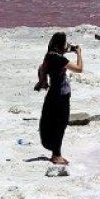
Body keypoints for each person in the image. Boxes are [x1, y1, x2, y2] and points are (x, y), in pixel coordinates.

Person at [34, 32, 83, 165]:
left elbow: (60, 53)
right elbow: (79, 69)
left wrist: (70, 49)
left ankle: (55, 152)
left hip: (52, 94)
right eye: (65, 43)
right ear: (59, 45)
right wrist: (79, 53)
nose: (67, 45)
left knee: (51, 123)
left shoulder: (49, 56)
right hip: (61, 96)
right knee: (60, 125)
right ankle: (56, 155)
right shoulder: (60, 60)